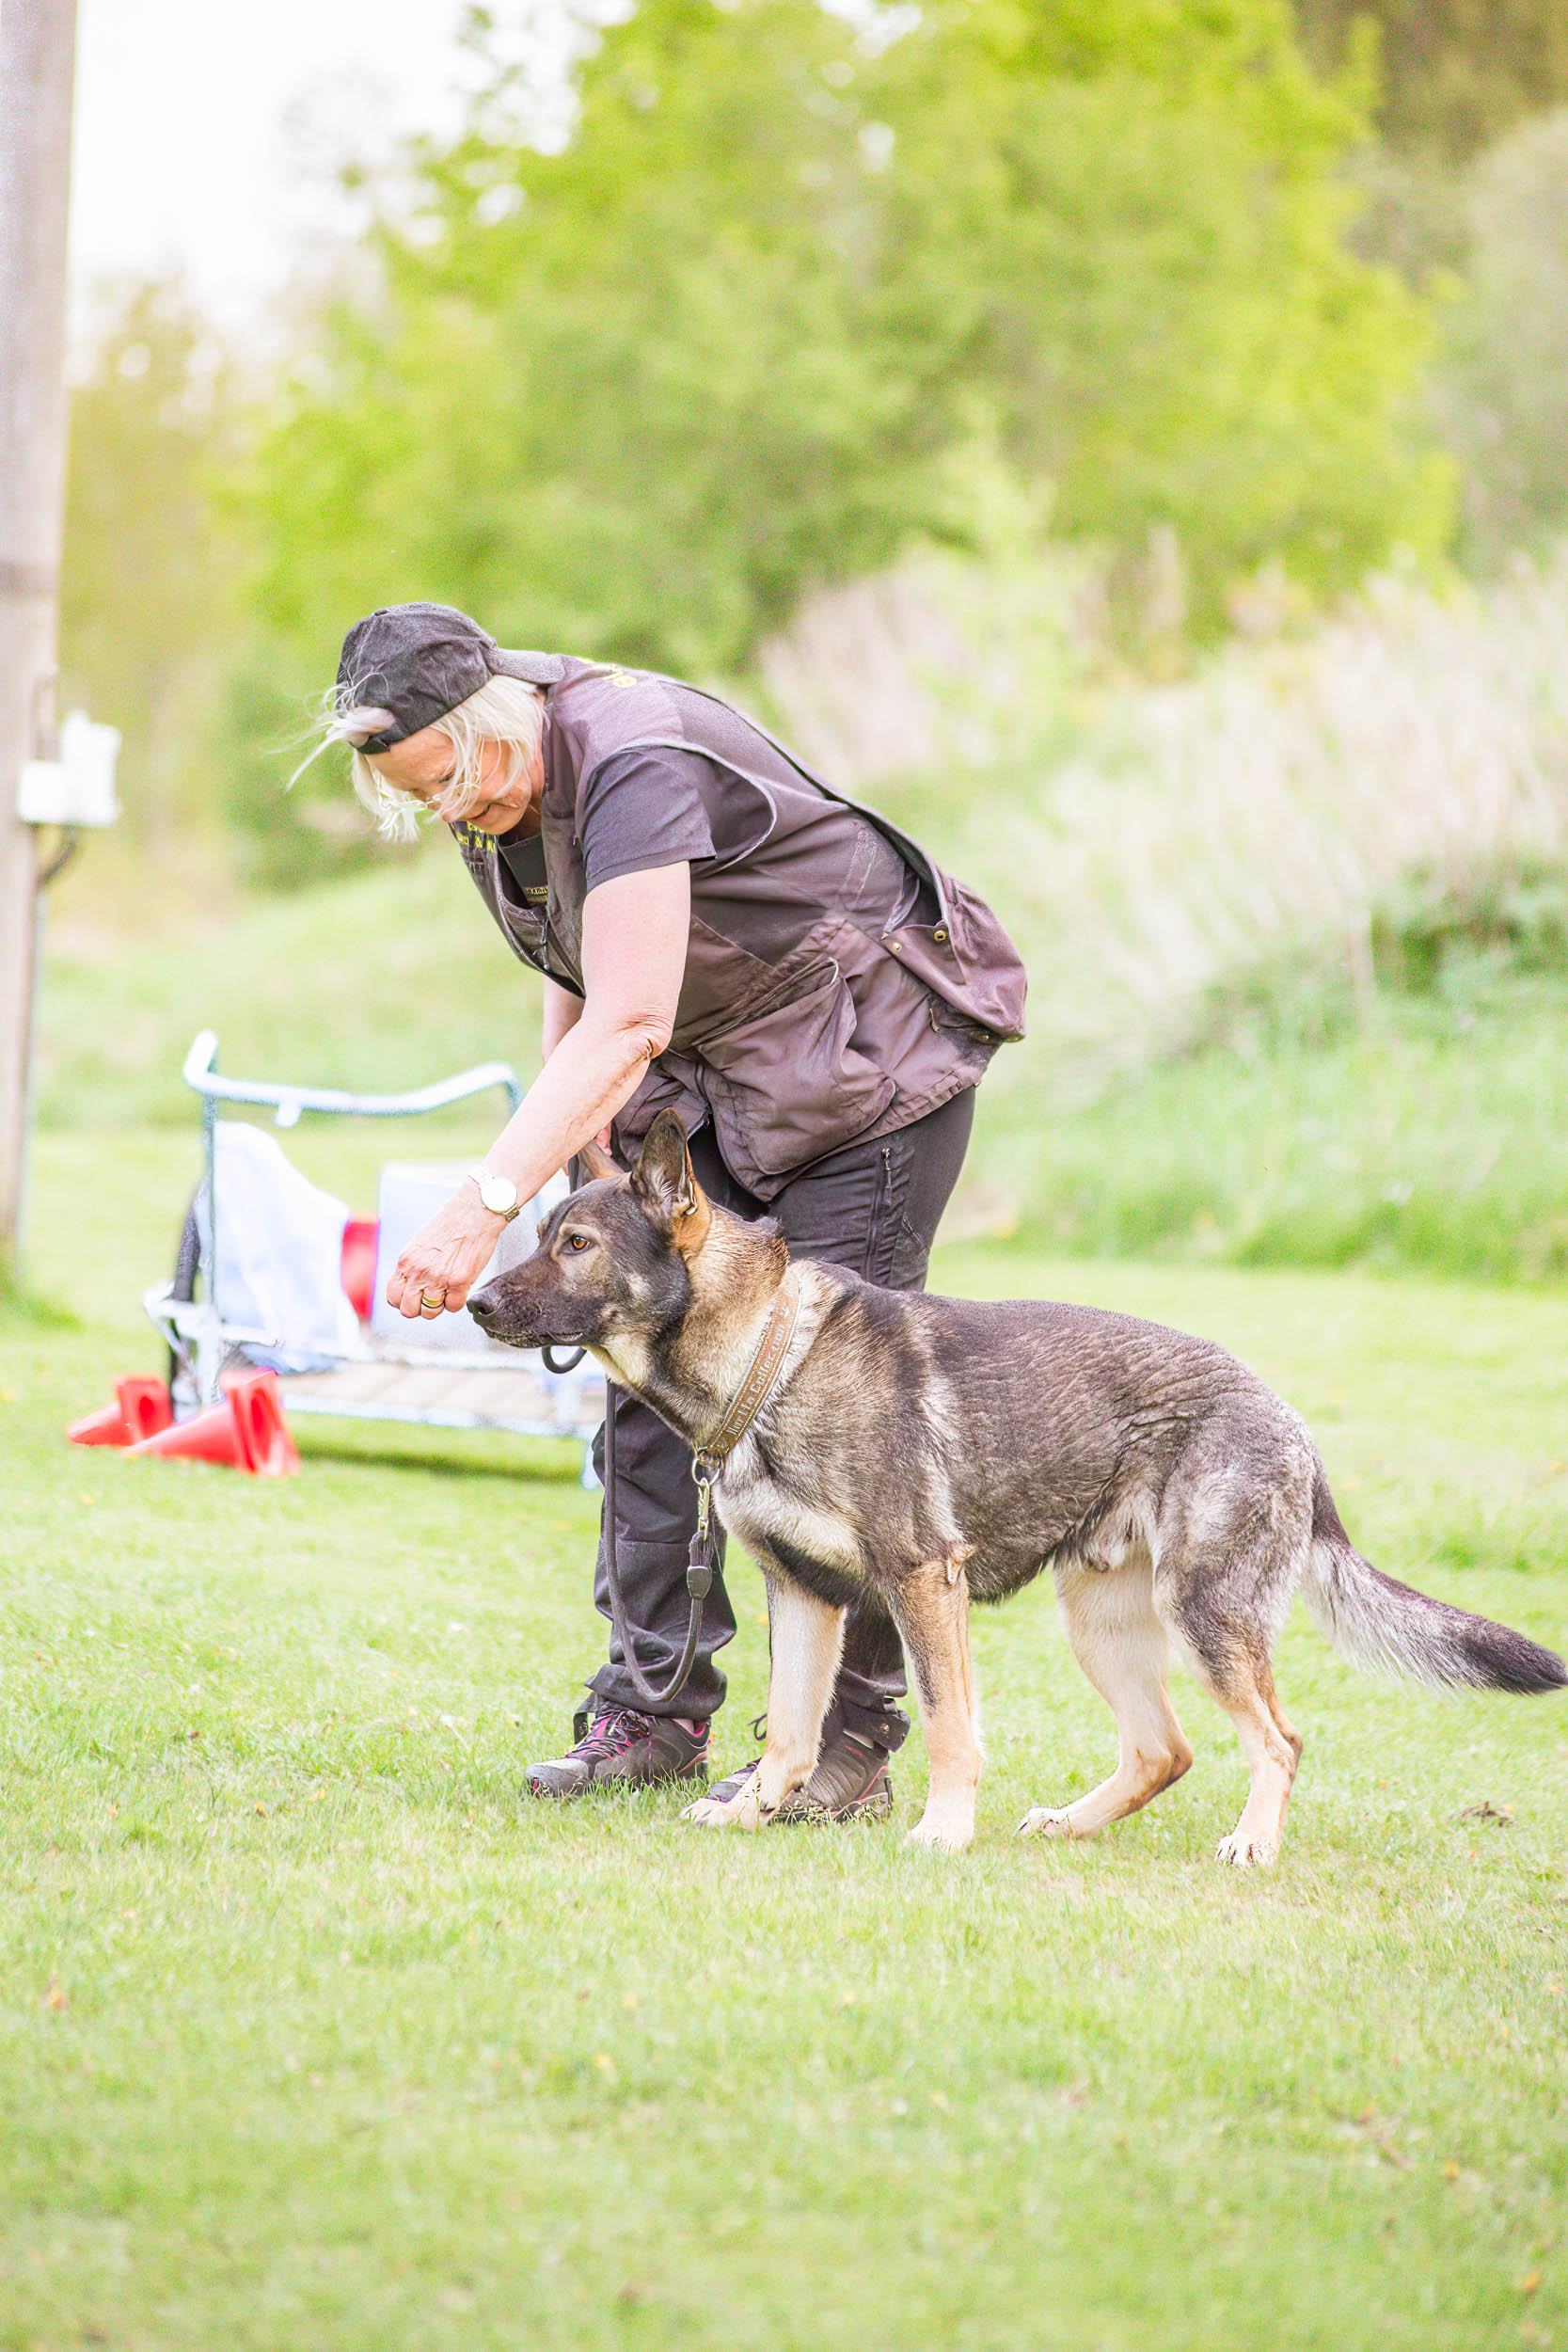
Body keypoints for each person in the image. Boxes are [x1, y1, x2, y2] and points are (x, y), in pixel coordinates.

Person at [315, 601, 1026, 1813]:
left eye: (445, 779)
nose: (442, 809)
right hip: (721, 1078)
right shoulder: (493, 788)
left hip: (868, 1059)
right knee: (638, 1358)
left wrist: (486, 1204)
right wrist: (585, 1165)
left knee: (845, 1416)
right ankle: (648, 1716)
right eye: (413, 793)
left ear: (490, 720)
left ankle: (846, 1752)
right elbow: (581, 986)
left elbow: (636, 1012)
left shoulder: (632, 753)